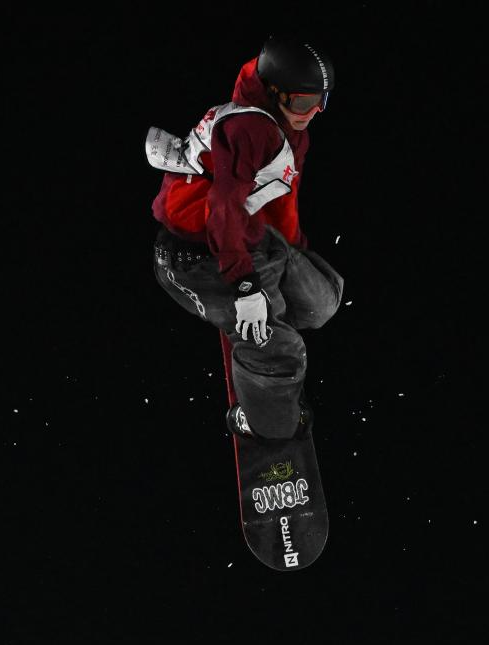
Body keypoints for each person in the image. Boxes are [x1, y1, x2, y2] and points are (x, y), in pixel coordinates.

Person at [145, 35, 345, 440]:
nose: (312, 113)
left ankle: (256, 314)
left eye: (321, 102)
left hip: (248, 238)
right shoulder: (248, 128)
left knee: (320, 301)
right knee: (278, 350)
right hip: (194, 254)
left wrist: (295, 252)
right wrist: (246, 287)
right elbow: (222, 209)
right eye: (304, 103)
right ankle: (262, 423)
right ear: (275, 92)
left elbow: (283, 198)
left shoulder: (291, 131)